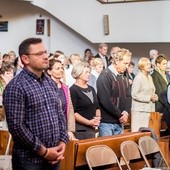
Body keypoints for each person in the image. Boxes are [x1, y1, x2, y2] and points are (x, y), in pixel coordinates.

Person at [3, 38, 68, 170]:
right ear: (25, 59)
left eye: (45, 52)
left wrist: (62, 141)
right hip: (29, 161)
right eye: (39, 54)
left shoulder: (50, 82)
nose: (46, 56)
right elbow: (16, 128)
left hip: (55, 156)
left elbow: (59, 114)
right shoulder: (16, 86)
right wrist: (44, 152)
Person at [97, 48, 132, 136]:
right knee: (106, 149)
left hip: (120, 121)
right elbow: (105, 100)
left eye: (128, 63)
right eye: (125, 63)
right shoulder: (105, 75)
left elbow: (128, 95)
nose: (127, 66)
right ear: (116, 61)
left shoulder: (124, 75)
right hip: (107, 123)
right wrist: (120, 115)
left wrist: (126, 112)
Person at [46, 58, 77, 140]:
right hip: (51, 130)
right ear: (49, 71)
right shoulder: (46, 87)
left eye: (62, 68)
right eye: (57, 68)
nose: (61, 70)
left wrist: (70, 130)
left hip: (64, 128)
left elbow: (70, 109)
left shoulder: (65, 87)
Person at [70, 62, 101, 140]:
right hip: (81, 130)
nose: (89, 74)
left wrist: (97, 119)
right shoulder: (73, 90)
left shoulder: (91, 88)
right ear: (78, 73)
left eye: (89, 72)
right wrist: (89, 122)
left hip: (92, 128)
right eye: (86, 72)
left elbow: (97, 107)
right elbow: (73, 113)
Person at [131, 57, 158, 132]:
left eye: (149, 64)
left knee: (148, 133)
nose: (149, 66)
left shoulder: (149, 77)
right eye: (147, 64)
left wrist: (154, 96)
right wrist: (149, 98)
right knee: (139, 133)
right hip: (140, 111)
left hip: (149, 109)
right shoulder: (138, 77)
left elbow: (151, 90)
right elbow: (134, 94)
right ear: (142, 67)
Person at [151, 54, 170, 134]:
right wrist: (168, 105)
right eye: (163, 64)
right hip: (161, 105)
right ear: (158, 64)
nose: (165, 66)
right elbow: (159, 92)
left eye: (166, 64)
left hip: (166, 104)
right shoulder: (154, 75)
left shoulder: (166, 75)